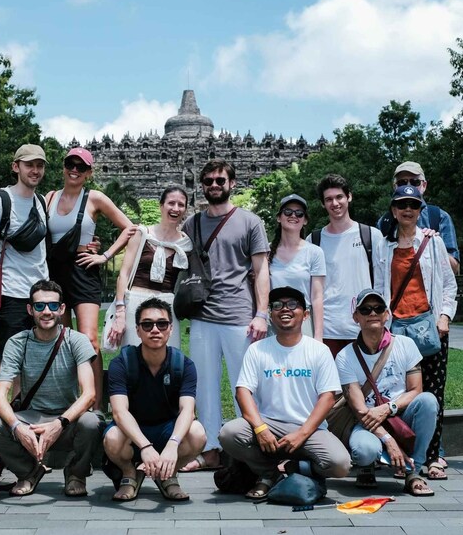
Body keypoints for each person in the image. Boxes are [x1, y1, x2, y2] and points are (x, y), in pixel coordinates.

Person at [179, 159, 270, 472]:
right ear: (201, 185)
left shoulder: (249, 222)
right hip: (203, 316)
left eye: (220, 180)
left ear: (232, 184)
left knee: (245, 386)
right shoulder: (191, 224)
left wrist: (261, 313)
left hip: (239, 316)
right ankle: (212, 449)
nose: (214, 186)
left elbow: (260, 270)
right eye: (209, 181)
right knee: (204, 386)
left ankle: (250, 447)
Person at [219, 286, 350, 498]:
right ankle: (269, 474)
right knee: (229, 433)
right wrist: (260, 429)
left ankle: (297, 468)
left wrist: (302, 433)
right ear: (270, 315)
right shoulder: (258, 349)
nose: (284, 309)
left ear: (305, 314)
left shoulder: (319, 350)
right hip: (269, 424)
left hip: (309, 428)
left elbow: (327, 398)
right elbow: (242, 392)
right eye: (277, 305)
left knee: (340, 464)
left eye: (292, 305)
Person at [0, 280, 102, 497]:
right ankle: (28, 472)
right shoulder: (17, 342)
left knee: (91, 421)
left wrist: (59, 423)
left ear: (62, 309)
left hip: (66, 418)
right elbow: (0, 395)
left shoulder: (76, 341)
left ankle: (76, 473)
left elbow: (89, 394)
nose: (47, 311)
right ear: (30, 309)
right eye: (39, 306)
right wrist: (18, 426)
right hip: (31, 420)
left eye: (53, 306)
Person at [0, 143, 50, 459]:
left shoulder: (42, 201)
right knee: (6, 371)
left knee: (29, 374)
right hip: (11, 295)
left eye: (40, 165)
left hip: (40, 297)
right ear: (15, 166)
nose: (35, 171)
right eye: (29, 165)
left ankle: (17, 444)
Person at [373, 185, 456, 481]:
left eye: (413, 205)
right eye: (401, 205)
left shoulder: (432, 243)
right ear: (394, 211)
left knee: (433, 393)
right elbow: (379, 286)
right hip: (396, 328)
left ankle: (434, 456)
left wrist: (444, 317)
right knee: (397, 391)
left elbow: (449, 284)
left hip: (428, 327)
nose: (407, 210)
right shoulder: (384, 246)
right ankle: (403, 454)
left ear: (421, 210)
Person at [45, 147, 135, 410]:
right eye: (70, 164)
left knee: (88, 339)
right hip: (55, 272)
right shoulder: (49, 198)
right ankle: (67, 400)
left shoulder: (94, 198)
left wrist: (105, 255)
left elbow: (130, 228)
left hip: (84, 271)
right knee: (60, 339)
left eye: (81, 167)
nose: (74, 170)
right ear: (63, 167)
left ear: (88, 172)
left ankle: (94, 404)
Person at [335, 289, 438, 496]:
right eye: (365, 309)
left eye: (378, 308)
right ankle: (366, 466)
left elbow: (416, 390)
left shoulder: (406, 345)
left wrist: (388, 408)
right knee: (364, 451)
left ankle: (414, 472)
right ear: (356, 317)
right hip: (367, 421)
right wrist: (389, 440)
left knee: (428, 401)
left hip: (401, 414)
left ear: (387, 314)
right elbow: (359, 410)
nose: (372, 313)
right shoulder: (345, 357)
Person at [104, 298, 206, 502]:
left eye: (162, 324)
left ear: (170, 329)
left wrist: (172, 445)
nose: (155, 330)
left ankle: (168, 474)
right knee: (112, 438)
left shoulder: (183, 365)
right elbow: (119, 412)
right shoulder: (122, 363)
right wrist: (145, 447)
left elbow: (188, 410)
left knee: (197, 434)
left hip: (166, 429)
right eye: (147, 324)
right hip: (132, 432)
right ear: (138, 330)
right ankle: (130, 474)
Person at [106, 185, 192, 351]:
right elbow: (124, 274)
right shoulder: (142, 234)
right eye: (171, 203)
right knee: (133, 358)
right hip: (136, 302)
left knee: (167, 358)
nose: (176, 208)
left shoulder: (186, 244)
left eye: (181, 205)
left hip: (167, 305)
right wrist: (120, 311)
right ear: (161, 206)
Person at [308, 174, 385, 358]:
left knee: (366, 385)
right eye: (329, 199)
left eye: (339, 197)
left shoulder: (371, 235)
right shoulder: (314, 240)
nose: (335, 203)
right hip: (327, 330)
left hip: (364, 326)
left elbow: (383, 283)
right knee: (330, 387)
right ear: (323, 204)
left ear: (349, 197)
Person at [377, 161, 460, 275]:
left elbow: (455, 268)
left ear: (424, 185)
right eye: (402, 182)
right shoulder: (384, 222)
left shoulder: (439, 217)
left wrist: (433, 245)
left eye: (415, 182)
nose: (409, 187)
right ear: (394, 186)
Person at [268, 194, 325, 339]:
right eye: (288, 212)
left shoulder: (314, 252)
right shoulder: (266, 252)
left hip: (303, 320)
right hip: (274, 320)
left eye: (299, 213)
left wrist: (318, 336)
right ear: (279, 217)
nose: (293, 215)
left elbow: (317, 297)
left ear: (305, 220)